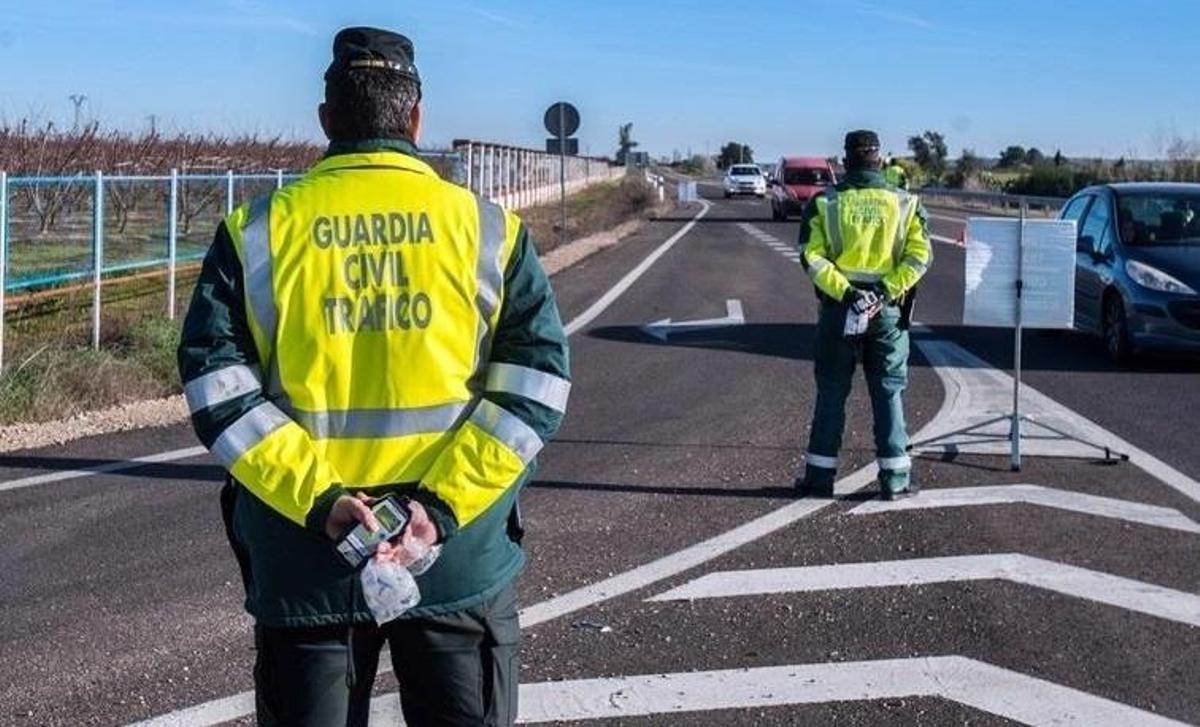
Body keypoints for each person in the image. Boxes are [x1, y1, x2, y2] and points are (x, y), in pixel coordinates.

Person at [177, 26, 570, 726]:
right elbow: (534, 385)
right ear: (416, 117)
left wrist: (324, 500)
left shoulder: (256, 232)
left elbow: (217, 387)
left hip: (309, 556)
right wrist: (438, 511)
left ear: (327, 119)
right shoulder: (489, 232)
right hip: (453, 556)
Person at [796, 130, 932, 500]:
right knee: (888, 391)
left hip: (840, 309)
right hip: (887, 311)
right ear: (880, 159)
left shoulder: (827, 203)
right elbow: (920, 257)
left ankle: (819, 479)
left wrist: (849, 293)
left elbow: (812, 256)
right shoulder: (905, 203)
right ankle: (896, 481)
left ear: (845, 160)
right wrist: (884, 292)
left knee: (831, 392)